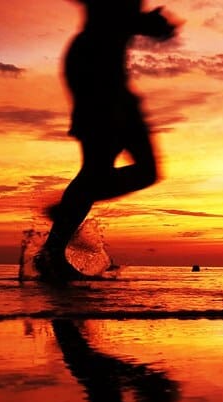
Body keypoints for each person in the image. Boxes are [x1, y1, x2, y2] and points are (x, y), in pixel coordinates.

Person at [35, 1, 179, 281]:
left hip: (109, 74)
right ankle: (53, 249)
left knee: (142, 171)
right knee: (99, 169)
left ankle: (62, 225)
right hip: (93, 68)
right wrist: (143, 23)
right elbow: (107, 16)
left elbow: (119, 17)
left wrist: (143, 22)